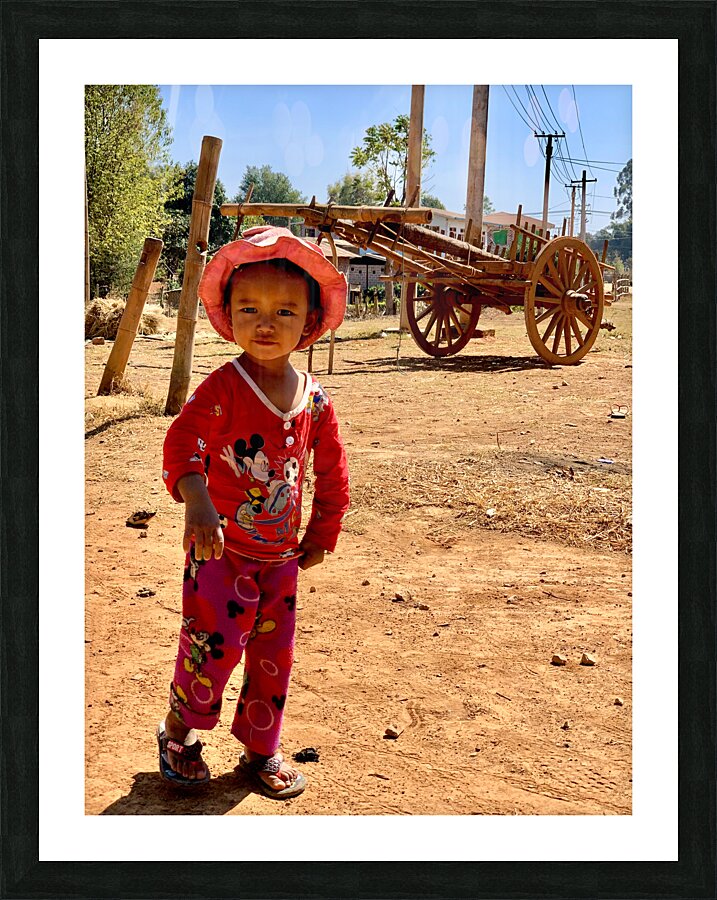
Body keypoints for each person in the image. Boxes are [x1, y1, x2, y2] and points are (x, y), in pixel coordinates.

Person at [156, 225, 350, 798]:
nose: (266, 323)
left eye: (285, 311)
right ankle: (178, 734)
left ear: (310, 322)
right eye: (250, 308)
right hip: (221, 554)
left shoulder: (315, 400)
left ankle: (261, 749)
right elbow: (182, 443)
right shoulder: (223, 389)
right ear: (229, 315)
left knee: (273, 656)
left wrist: (323, 531)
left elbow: (333, 470)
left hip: (281, 559)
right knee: (211, 645)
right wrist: (197, 503)